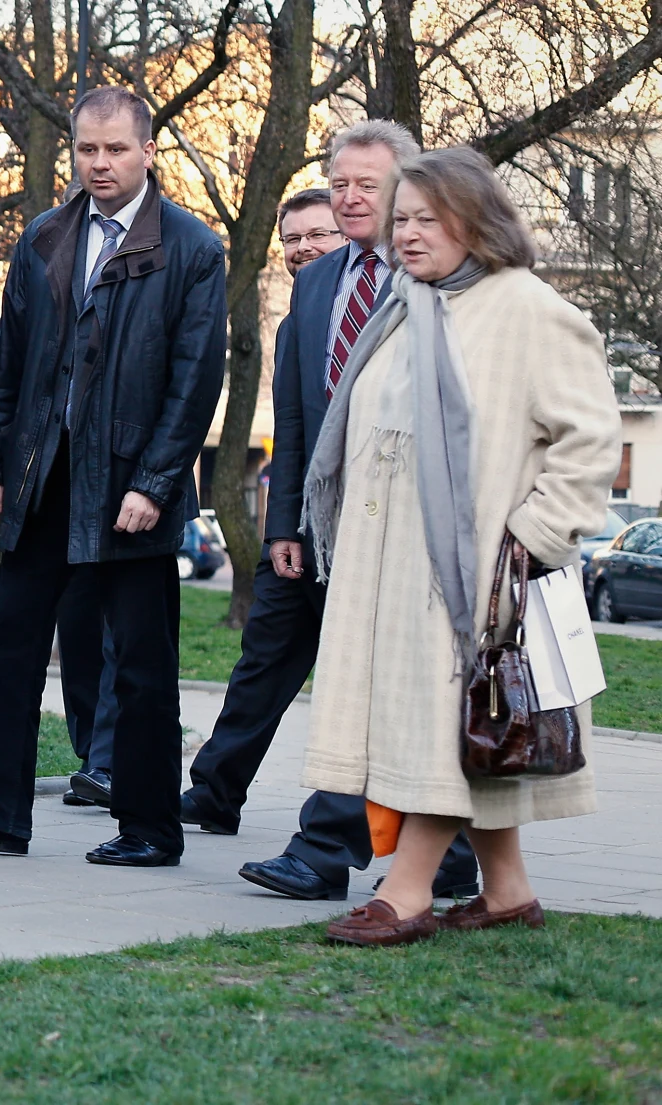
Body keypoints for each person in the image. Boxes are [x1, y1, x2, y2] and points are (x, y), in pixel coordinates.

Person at [305, 146, 621, 945]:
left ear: (473, 220)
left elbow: (589, 439)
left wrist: (531, 534)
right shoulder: (407, 302)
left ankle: (405, 891)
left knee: (439, 730)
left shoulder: (526, 307)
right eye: (399, 218)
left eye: (426, 219)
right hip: (392, 565)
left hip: (471, 573)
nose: (406, 234)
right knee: (466, 726)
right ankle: (507, 889)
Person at [0, 87, 226, 867]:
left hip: (131, 490)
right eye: (87, 149)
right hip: (42, 479)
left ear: (147, 151)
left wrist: (153, 484)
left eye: (115, 149)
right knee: (8, 644)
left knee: (143, 666)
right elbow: (9, 360)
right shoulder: (46, 235)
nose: (99, 163)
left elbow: (194, 384)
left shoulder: (191, 249)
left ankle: (151, 829)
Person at [180, 122, 480, 901]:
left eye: (366, 186)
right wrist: (284, 524)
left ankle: (329, 847)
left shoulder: (444, 280)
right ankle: (438, 852)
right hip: (320, 521)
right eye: (338, 182)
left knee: (377, 683)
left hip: (413, 521)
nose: (349, 197)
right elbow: (299, 416)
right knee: (320, 671)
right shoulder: (316, 285)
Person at [55, 572, 117, 807]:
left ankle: (107, 764)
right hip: (74, 544)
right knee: (76, 632)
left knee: (118, 646)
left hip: (127, 543)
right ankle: (92, 757)